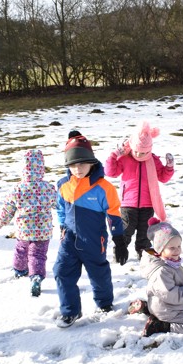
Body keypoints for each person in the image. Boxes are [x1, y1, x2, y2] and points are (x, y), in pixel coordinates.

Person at [53, 131, 127, 327]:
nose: (78, 169)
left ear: (92, 163)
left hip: (94, 240)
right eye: (73, 164)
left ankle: (104, 304)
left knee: (98, 274)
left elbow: (113, 214)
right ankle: (70, 312)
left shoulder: (104, 188)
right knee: (61, 271)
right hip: (69, 239)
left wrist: (119, 240)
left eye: (82, 163)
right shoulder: (62, 185)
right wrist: (62, 226)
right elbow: (61, 208)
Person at [0, 149, 57, 297]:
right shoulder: (48, 188)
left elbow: (8, 211)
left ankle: (20, 270)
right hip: (43, 230)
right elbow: (58, 205)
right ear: (41, 168)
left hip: (24, 230)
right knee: (38, 255)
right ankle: (36, 276)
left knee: (21, 250)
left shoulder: (17, 189)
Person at [105, 120, 175, 260]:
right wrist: (114, 155)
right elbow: (111, 172)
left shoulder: (153, 160)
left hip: (148, 203)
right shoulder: (124, 158)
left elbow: (163, 177)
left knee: (145, 232)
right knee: (126, 230)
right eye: (136, 151)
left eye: (143, 153)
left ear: (149, 150)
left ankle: (144, 255)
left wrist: (169, 167)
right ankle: (120, 252)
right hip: (128, 203)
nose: (139, 154)